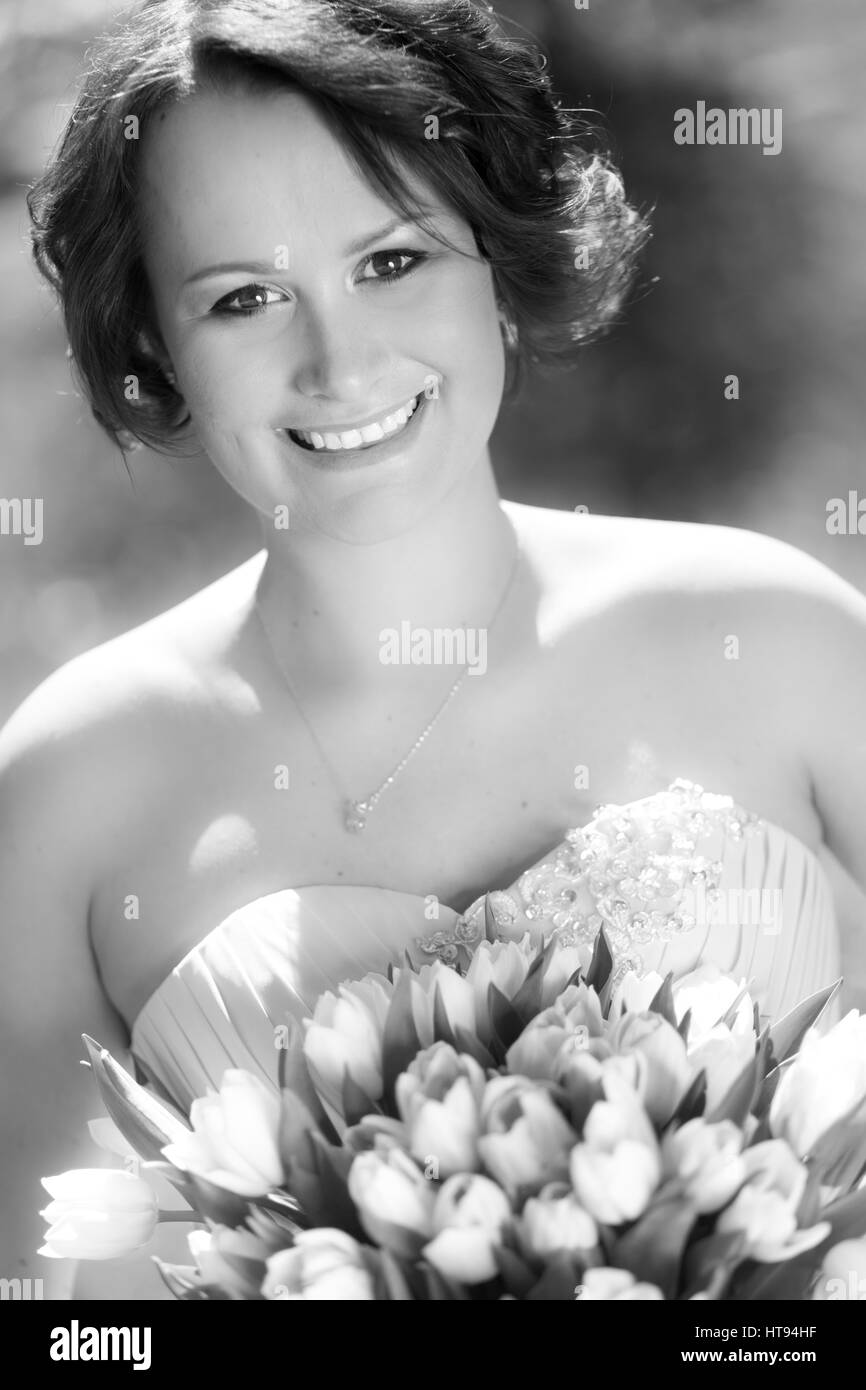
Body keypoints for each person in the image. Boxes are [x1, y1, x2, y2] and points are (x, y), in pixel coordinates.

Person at [4, 0, 865, 1299]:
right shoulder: (66, 785)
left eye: (392, 262)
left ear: (496, 256)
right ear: (155, 345)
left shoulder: (782, 636)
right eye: (243, 298)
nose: (338, 361)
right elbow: (54, 1313)